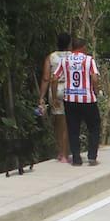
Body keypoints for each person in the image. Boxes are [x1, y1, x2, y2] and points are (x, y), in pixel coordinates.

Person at [53, 38, 102, 166]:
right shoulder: (89, 60)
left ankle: (76, 158)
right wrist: (96, 91)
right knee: (94, 127)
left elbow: (55, 78)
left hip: (70, 99)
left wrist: (54, 97)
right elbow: (94, 78)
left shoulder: (65, 60)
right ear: (83, 47)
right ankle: (92, 156)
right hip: (87, 99)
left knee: (73, 129)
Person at [37, 33, 72, 163]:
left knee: (58, 121)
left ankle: (60, 151)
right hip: (71, 90)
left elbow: (46, 78)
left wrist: (41, 97)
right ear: (69, 43)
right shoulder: (73, 57)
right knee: (67, 122)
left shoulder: (51, 57)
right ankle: (65, 153)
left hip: (55, 90)